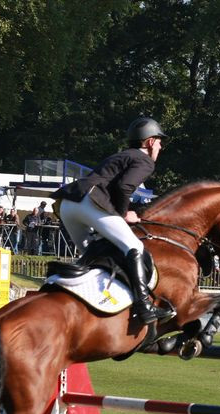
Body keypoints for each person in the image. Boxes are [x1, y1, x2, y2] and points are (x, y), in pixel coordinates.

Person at [51, 116, 174, 324]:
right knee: (134, 247)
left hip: (68, 203)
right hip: (90, 201)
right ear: (150, 141)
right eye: (160, 142)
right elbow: (124, 187)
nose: (161, 148)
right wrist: (124, 214)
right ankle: (144, 307)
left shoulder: (123, 155)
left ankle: (76, 301)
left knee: (92, 255)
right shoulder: (144, 160)